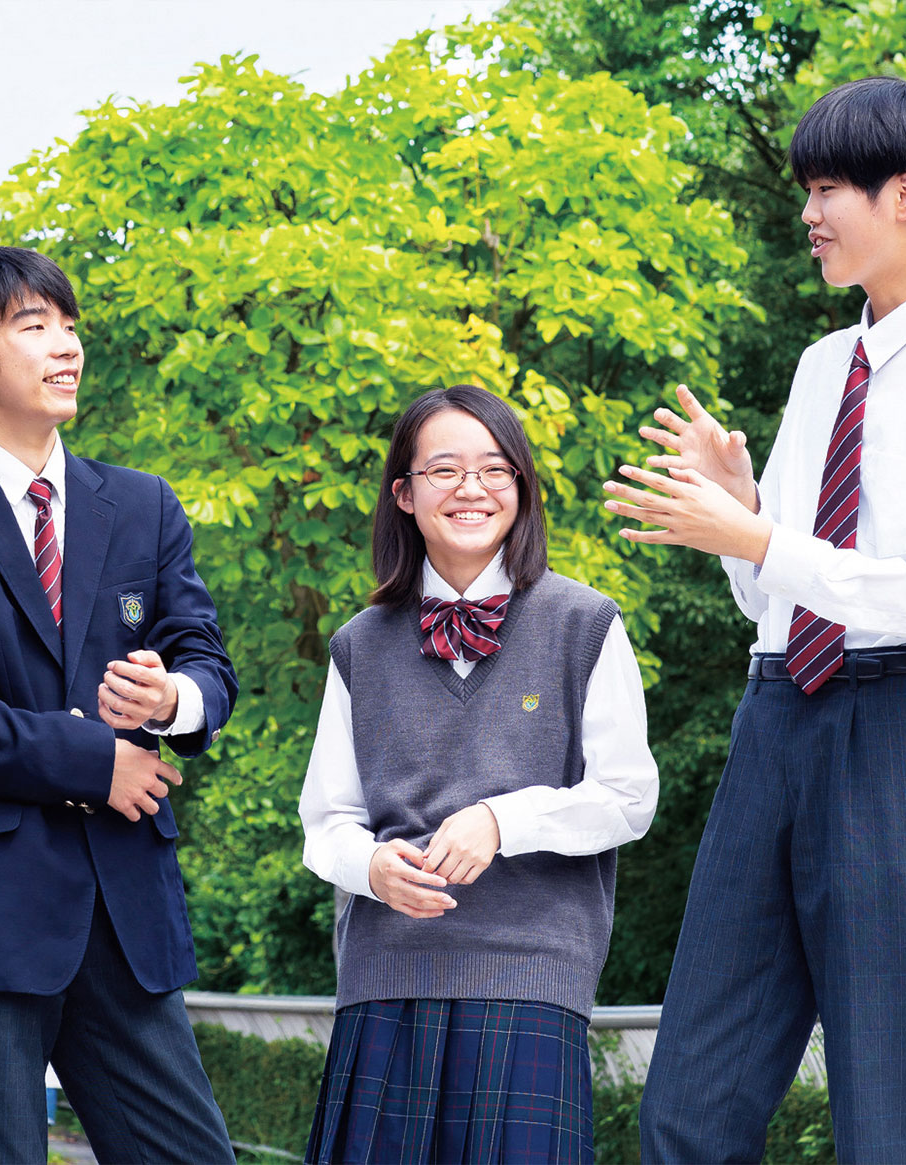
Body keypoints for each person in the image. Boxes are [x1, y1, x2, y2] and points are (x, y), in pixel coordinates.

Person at [606, 77, 906, 1162]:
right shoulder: (820, 370)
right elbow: (775, 600)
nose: (806, 215)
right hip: (773, 726)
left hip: (894, 733)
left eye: (824, 190)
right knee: (684, 1110)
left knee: (879, 1121)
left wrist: (758, 535)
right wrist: (749, 511)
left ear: (902, 195)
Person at [0, 246, 238, 1163]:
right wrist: (94, 761)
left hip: (128, 903)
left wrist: (175, 695)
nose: (66, 346)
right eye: (35, 326)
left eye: (69, 326)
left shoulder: (144, 505)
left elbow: (207, 662)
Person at [299, 384, 659, 1164]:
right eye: (445, 469)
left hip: (532, 977)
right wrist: (369, 866)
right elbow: (325, 822)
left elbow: (630, 797)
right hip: (385, 976)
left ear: (522, 489)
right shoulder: (358, 644)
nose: (472, 488)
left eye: (496, 468)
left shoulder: (585, 622)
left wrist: (505, 820)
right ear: (404, 493)